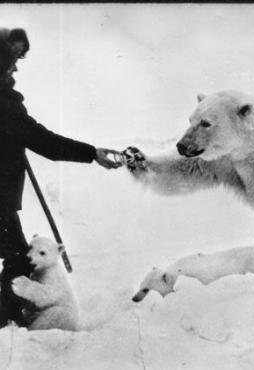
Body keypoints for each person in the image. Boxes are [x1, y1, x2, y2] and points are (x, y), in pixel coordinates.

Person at [0, 28, 121, 328]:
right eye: (11, 59)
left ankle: (9, 321)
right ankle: (6, 324)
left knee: (16, 255)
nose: (15, 67)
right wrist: (92, 153)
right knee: (17, 258)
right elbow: (44, 142)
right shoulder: (4, 102)